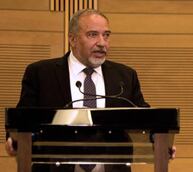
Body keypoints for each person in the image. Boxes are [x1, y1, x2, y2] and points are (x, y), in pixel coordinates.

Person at [5, 9, 174, 172]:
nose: (102, 43)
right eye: (93, 34)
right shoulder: (41, 73)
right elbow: (23, 119)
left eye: (106, 35)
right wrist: (15, 141)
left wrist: (160, 141)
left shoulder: (125, 76)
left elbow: (144, 118)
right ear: (72, 39)